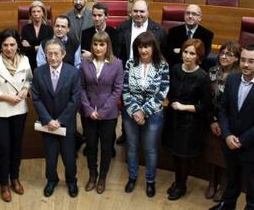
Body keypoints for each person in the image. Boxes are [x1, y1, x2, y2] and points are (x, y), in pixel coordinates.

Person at [0, 29, 32, 202]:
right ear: (0, 46)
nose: (9, 48)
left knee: (17, 146)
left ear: (18, 45)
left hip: (19, 110)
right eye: (5, 45)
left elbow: (29, 79)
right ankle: (3, 184)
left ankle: (14, 178)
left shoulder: (24, 60)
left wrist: (25, 89)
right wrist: (8, 97)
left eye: (12, 45)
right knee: (4, 148)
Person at [163, 38, 212, 201]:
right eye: (185, 52)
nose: (188, 56)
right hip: (173, 120)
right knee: (175, 154)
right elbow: (169, 93)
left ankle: (181, 186)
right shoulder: (175, 69)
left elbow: (205, 106)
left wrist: (184, 107)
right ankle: (178, 182)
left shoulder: (203, 77)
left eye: (192, 53)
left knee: (183, 156)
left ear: (199, 57)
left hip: (190, 123)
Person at [122, 32, 170, 197]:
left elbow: (162, 93)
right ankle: (132, 177)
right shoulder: (130, 63)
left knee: (150, 149)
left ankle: (150, 181)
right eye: (140, 46)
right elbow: (125, 90)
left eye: (147, 46)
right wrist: (136, 111)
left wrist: (143, 111)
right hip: (130, 113)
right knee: (132, 147)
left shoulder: (162, 65)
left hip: (153, 114)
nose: (143, 50)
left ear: (153, 47)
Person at [32, 38, 81, 198]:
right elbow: (36, 98)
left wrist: (59, 121)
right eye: (49, 54)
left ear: (63, 54)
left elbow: (75, 99)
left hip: (66, 123)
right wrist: (48, 120)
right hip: (47, 124)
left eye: (56, 54)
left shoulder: (73, 72)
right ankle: (51, 180)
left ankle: (71, 181)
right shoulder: (39, 72)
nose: (52, 57)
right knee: (50, 155)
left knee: (69, 155)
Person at [209, 44, 254, 210]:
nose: (245, 64)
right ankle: (227, 206)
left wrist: (242, 140)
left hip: (251, 146)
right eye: (243, 60)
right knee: (231, 179)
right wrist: (227, 135)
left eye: (251, 61)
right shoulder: (233, 79)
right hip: (229, 142)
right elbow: (223, 108)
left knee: (253, 188)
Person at [80, 32, 123, 194]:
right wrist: (89, 110)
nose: (98, 48)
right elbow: (81, 87)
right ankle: (93, 174)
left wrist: (103, 111)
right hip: (88, 112)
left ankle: (102, 177)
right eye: (96, 44)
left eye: (102, 44)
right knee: (90, 146)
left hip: (108, 114)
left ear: (107, 46)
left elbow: (117, 90)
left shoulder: (117, 63)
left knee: (106, 147)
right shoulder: (85, 62)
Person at [203, 42, 240, 202]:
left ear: (237, 58)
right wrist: (213, 120)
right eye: (223, 53)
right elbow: (207, 99)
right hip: (213, 120)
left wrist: (225, 124)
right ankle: (212, 182)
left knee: (226, 155)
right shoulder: (212, 71)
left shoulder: (239, 76)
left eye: (229, 54)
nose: (224, 57)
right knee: (213, 152)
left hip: (231, 123)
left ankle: (224, 185)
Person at [116, 0, 167, 66]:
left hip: (151, 70)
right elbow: (117, 53)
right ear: (131, 12)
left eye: (142, 11)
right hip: (126, 69)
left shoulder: (159, 30)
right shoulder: (121, 28)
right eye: (135, 11)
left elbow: (163, 53)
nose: (138, 14)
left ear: (148, 12)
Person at [166, 4, 214, 69]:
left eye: (194, 14)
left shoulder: (207, 35)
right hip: (176, 68)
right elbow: (169, 54)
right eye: (187, 13)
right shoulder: (173, 31)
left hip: (197, 70)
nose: (190, 16)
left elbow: (202, 57)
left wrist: (180, 51)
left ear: (200, 18)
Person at [21, 0, 54, 70]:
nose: (36, 14)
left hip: (45, 62)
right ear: (31, 14)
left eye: (38, 11)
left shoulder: (49, 29)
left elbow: (48, 48)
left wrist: (31, 47)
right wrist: (40, 47)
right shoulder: (25, 28)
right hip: (29, 62)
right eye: (33, 12)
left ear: (43, 13)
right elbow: (24, 49)